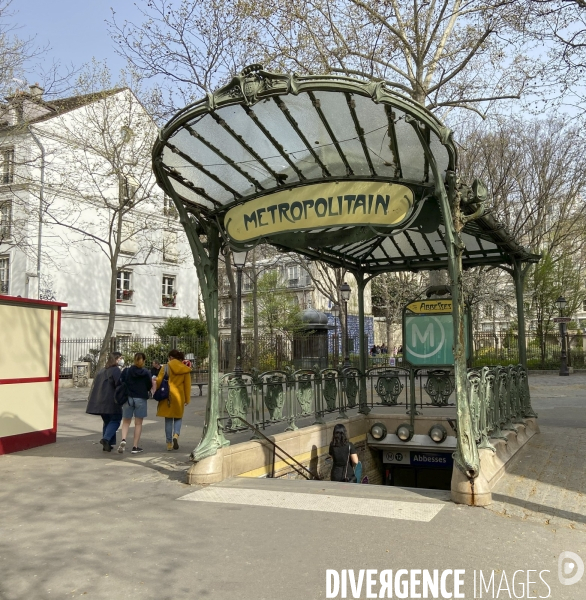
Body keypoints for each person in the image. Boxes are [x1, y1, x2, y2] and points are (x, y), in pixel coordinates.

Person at [155, 349, 192, 451]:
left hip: (167, 396)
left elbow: (159, 381)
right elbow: (187, 386)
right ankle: (176, 435)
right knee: (178, 418)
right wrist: (187, 399)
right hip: (179, 396)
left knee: (168, 419)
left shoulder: (166, 367)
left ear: (171, 357)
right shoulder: (185, 369)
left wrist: (156, 389)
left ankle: (169, 443)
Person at [86, 352, 123, 452]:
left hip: (100, 401)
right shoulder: (116, 370)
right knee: (116, 419)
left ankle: (108, 444)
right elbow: (119, 384)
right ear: (116, 359)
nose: (121, 360)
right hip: (111, 401)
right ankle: (106, 439)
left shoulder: (102, 371)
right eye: (120, 358)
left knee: (107, 421)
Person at [117, 352, 152, 454]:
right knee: (138, 423)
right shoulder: (146, 373)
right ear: (143, 361)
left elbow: (121, 382)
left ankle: (123, 439)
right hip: (140, 398)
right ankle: (135, 447)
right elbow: (149, 386)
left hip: (128, 398)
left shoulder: (126, 371)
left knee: (126, 422)